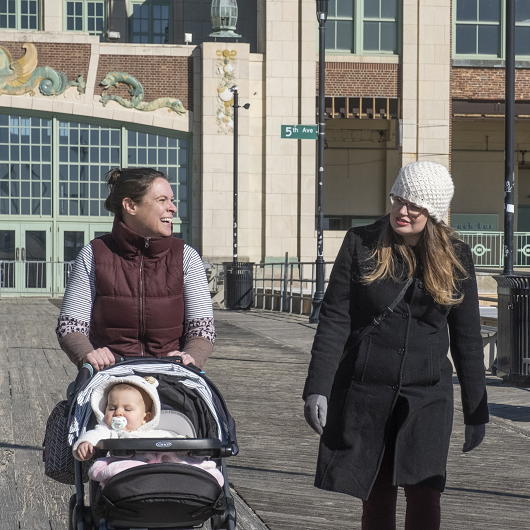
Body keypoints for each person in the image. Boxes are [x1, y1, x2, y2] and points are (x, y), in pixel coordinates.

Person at [303, 161, 489, 530]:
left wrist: (476, 411)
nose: (402, 211)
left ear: (432, 212)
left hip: (428, 396)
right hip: (367, 391)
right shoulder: (361, 243)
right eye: (398, 200)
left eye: (414, 206)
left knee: (425, 492)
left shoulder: (457, 256)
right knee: (377, 492)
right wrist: (317, 389)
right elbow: (335, 320)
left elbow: (467, 339)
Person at [56, 167, 215, 371]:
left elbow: (202, 329)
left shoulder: (187, 257)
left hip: (170, 375)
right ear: (130, 206)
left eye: (172, 200)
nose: (173, 208)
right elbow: (70, 325)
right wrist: (88, 355)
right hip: (110, 379)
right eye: (162, 200)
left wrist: (190, 357)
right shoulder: (93, 255)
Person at [73, 375, 224, 487]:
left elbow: (179, 439)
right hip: (130, 474)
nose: (118, 413)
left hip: (167, 471)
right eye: (112, 408)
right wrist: (86, 442)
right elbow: (96, 434)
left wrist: (186, 444)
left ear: (146, 418)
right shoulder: (110, 431)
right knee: (102, 467)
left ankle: (209, 478)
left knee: (197, 465)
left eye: (127, 409)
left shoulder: (160, 432)